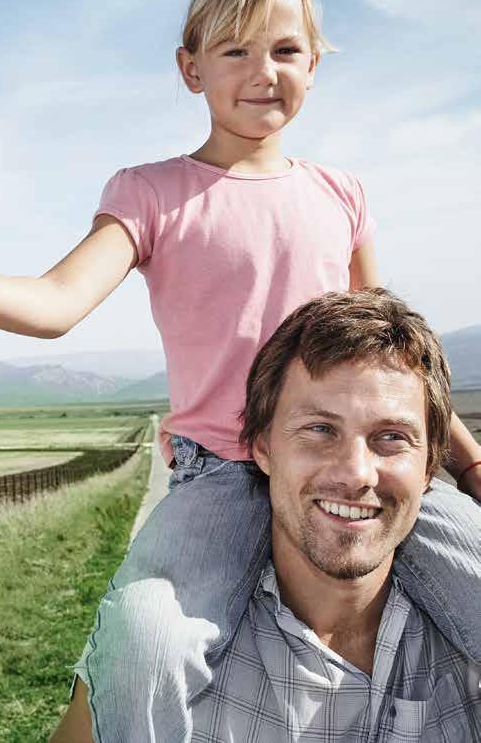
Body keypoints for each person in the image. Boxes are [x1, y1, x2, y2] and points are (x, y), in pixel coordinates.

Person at [0, 0, 481, 740]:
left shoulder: (341, 194)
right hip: (222, 470)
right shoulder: (150, 192)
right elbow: (58, 302)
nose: (263, 72)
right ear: (190, 68)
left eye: (286, 50)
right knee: (146, 645)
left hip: (345, 452)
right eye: (234, 50)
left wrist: (463, 460)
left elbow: (399, 366)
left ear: (316, 64)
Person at [50, 289, 481, 742]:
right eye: (319, 429)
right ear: (261, 449)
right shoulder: (165, 673)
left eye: (391, 436)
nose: (356, 474)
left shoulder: (461, 643)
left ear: (431, 464)